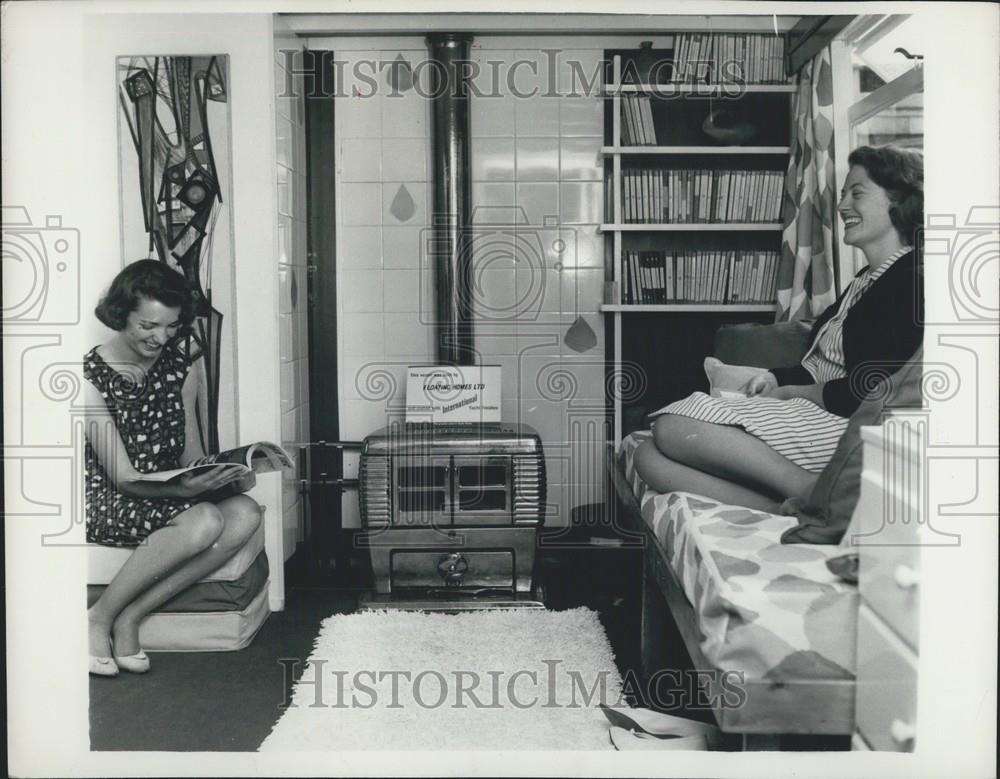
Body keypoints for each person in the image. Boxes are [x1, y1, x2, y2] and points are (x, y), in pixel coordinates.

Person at [633, 145, 924, 512]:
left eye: (857, 192)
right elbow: (821, 365)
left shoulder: (911, 281)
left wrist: (791, 394)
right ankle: (791, 507)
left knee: (672, 426)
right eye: (844, 193)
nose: (843, 204)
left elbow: (871, 389)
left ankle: (810, 487)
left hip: (845, 427)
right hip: (818, 415)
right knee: (648, 456)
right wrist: (774, 378)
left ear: (900, 200)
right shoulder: (866, 280)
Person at [86, 260, 261, 676]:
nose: (160, 337)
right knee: (202, 519)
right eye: (148, 325)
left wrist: (223, 475)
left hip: (169, 491)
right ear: (120, 313)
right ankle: (98, 617)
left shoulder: (182, 366)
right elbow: (124, 477)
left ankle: (131, 616)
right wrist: (184, 494)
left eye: (170, 326)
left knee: (245, 512)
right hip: (112, 495)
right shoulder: (89, 377)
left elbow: (190, 457)